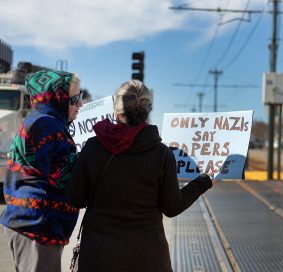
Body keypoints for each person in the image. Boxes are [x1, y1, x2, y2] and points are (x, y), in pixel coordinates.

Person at [66, 80, 213, 272]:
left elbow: (75, 198)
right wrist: (203, 182)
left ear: (116, 110)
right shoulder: (162, 154)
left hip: (98, 257)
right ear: (148, 110)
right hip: (148, 258)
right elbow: (172, 207)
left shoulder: (93, 147)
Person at [0, 70, 83, 272]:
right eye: (74, 99)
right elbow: (64, 176)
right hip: (38, 225)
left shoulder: (42, 120)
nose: (80, 104)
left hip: (32, 222)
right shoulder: (46, 124)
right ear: (58, 99)